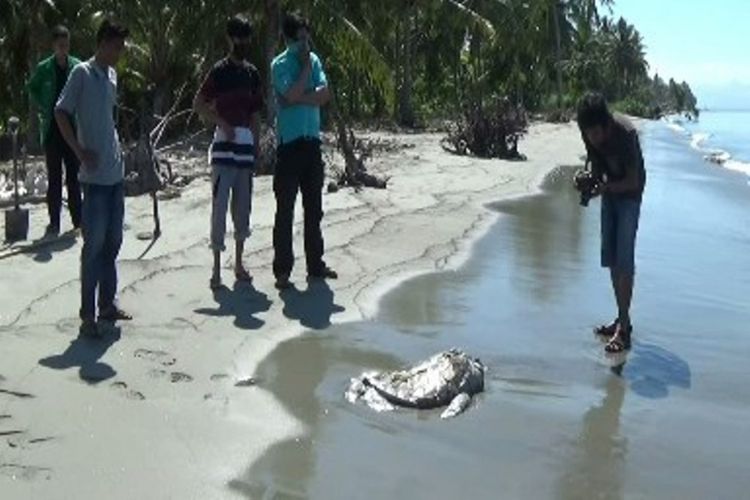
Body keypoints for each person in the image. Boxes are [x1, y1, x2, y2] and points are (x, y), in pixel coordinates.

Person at [54, 19, 132, 338]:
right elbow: (61, 112)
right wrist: (78, 150)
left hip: (115, 174)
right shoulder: (81, 74)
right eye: (116, 46)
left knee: (113, 243)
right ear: (102, 43)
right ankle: (88, 315)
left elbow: (107, 119)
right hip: (94, 179)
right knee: (93, 247)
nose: (120, 52)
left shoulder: (112, 76)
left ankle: (107, 304)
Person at [194, 15, 262, 290]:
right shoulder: (218, 71)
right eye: (239, 37)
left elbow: (256, 113)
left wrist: (257, 146)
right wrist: (220, 121)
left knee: (242, 209)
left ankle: (238, 262)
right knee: (219, 208)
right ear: (229, 39)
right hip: (223, 149)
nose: (243, 43)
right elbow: (198, 103)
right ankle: (215, 268)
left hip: (245, 150)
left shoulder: (252, 73)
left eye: (246, 38)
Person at [271, 12, 337, 290]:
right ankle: (283, 271)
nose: (305, 44)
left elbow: (324, 95)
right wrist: (306, 75)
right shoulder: (280, 64)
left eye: (307, 38)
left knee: (314, 210)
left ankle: (315, 264)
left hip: (312, 144)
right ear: (288, 39)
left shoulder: (315, 60)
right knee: (285, 211)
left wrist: (301, 98)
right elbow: (290, 93)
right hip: (289, 145)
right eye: (299, 39)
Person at [576, 92, 646, 353]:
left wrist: (603, 188)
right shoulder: (589, 133)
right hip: (609, 193)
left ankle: (624, 328)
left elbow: (633, 182)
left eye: (596, 133)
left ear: (606, 125)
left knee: (624, 260)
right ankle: (621, 318)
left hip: (630, 196)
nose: (592, 139)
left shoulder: (626, 135)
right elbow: (596, 167)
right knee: (612, 260)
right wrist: (586, 182)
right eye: (587, 134)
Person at [26, 25, 82, 236]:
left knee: (74, 178)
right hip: (52, 130)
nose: (63, 49)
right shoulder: (44, 68)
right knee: (55, 179)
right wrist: (44, 104)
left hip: (72, 127)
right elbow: (32, 87)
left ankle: (78, 221)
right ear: (53, 46)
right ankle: (54, 223)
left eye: (66, 45)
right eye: (60, 46)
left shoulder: (77, 66)